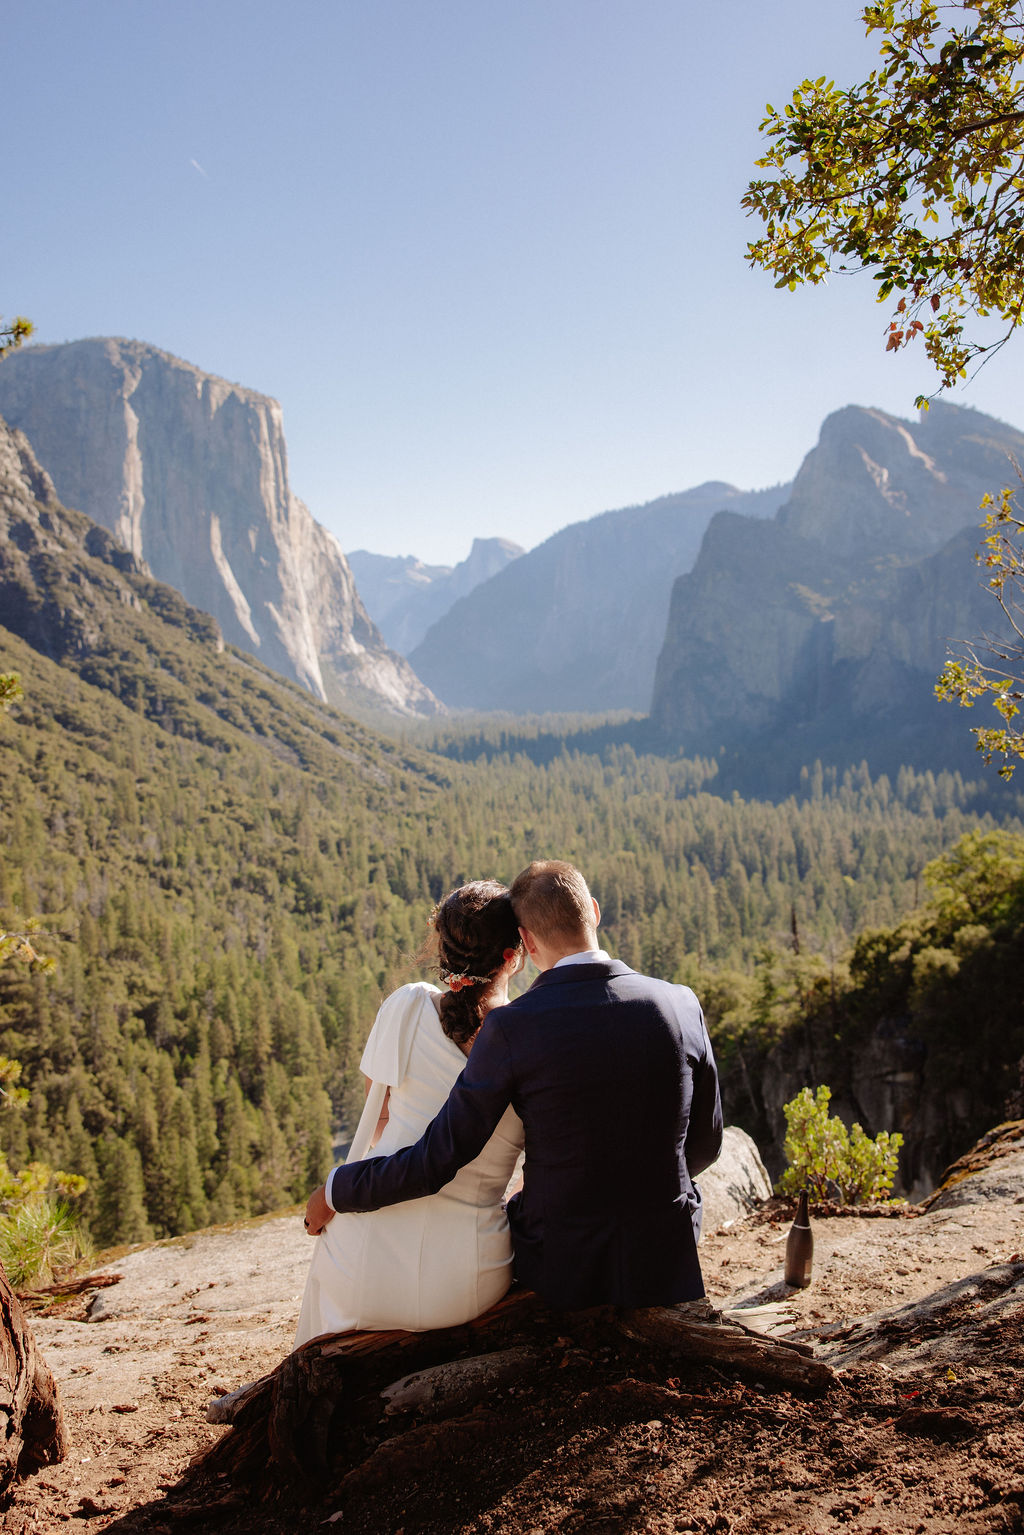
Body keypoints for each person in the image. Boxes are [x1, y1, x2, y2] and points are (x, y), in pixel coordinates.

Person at [305, 859, 723, 1313]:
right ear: (595, 912)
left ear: (524, 941)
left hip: (562, 1263)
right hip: (666, 1248)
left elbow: (437, 1158)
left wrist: (337, 1189)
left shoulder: (513, 1027)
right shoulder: (682, 1003)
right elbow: (705, 1144)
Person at [294, 880, 525, 1344]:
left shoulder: (406, 1005)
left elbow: (377, 1121)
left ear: (442, 947)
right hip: (468, 1279)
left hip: (361, 1264)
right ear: (513, 955)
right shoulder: (531, 1038)